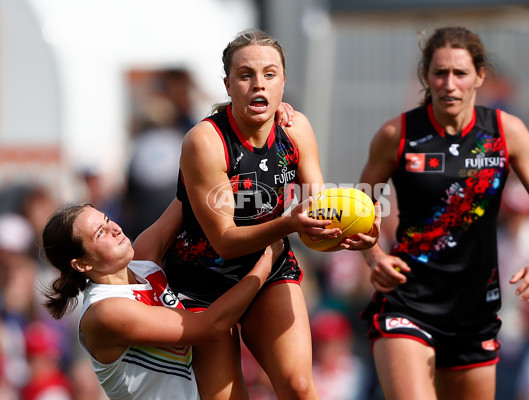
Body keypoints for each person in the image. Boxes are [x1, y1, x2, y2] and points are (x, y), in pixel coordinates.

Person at [163, 29, 379, 400]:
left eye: (269, 74)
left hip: (271, 264)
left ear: (283, 81)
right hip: (203, 283)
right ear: (228, 85)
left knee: (298, 387)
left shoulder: (296, 129)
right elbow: (225, 242)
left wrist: (352, 235)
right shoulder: (205, 142)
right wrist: (288, 224)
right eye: (245, 75)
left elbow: (317, 214)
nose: (257, 84)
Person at [358, 26, 529, 400]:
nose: (449, 84)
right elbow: (360, 209)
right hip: (407, 301)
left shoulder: (506, 133)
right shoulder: (397, 134)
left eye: (460, 73)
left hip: (474, 313)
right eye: (440, 73)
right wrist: (374, 257)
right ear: (426, 76)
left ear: (480, 77)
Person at [41, 200, 283, 400]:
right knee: (215, 326)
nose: (115, 228)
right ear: (82, 264)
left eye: (106, 219)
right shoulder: (104, 312)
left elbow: (189, 193)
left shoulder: (145, 261)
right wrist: (266, 261)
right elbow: (212, 327)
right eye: (100, 232)